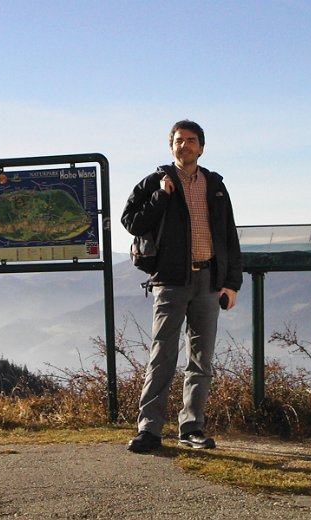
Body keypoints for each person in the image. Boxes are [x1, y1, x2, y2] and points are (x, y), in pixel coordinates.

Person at [121, 120, 243, 452]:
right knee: (162, 355)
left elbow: (229, 237)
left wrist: (231, 283)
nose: (184, 145)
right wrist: (161, 196)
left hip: (208, 281)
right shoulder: (155, 182)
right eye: (178, 140)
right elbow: (131, 221)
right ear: (171, 146)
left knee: (201, 360)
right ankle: (149, 430)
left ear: (201, 147)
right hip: (170, 281)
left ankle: (191, 429)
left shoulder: (215, 186)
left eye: (191, 140)